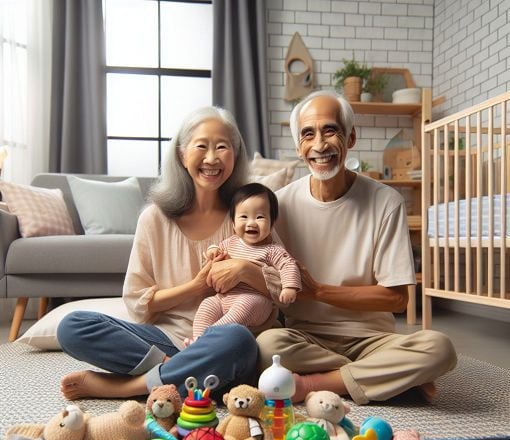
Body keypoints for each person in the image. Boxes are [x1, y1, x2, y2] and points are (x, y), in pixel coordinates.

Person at [57, 106, 272, 402]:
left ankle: (126, 388)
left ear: (235, 156)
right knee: (72, 326)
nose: (211, 158)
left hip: (222, 346)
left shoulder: (249, 217)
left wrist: (245, 271)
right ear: (182, 155)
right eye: (201, 146)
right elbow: (137, 302)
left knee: (239, 340)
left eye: (222, 147)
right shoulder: (155, 218)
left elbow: (281, 289)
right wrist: (196, 286)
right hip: (165, 342)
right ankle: (174, 374)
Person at [257, 90, 457, 405]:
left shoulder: (385, 201)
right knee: (267, 345)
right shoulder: (279, 205)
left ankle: (313, 385)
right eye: (308, 134)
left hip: (373, 340)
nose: (320, 145)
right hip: (305, 338)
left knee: (440, 349)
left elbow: (397, 298)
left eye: (330, 130)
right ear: (299, 147)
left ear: (351, 138)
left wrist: (319, 291)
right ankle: (385, 378)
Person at [188, 182, 301, 343]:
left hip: (257, 302)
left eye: (260, 217)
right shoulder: (230, 243)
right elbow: (215, 254)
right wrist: (212, 251)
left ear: (272, 223)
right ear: (233, 223)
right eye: (244, 217)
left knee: (246, 304)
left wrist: (290, 287)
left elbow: (288, 265)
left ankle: (207, 340)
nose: (251, 223)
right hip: (224, 299)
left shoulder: (272, 250)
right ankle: (198, 341)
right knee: (207, 304)